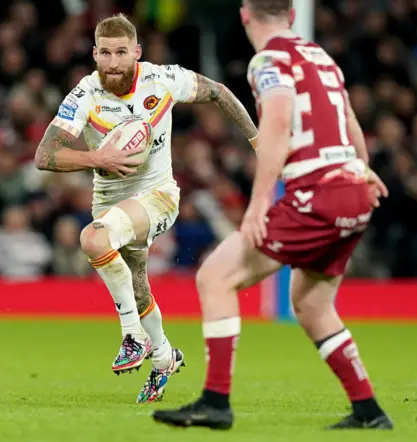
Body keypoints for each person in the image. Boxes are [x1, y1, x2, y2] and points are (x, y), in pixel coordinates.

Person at [152, 0, 393, 430]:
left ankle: (215, 402)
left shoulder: (268, 60)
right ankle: (369, 412)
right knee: (313, 303)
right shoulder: (320, 58)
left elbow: (278, 125)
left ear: (245, 15)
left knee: (215, 277)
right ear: (293, 15)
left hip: (317, 194)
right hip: (355, 190)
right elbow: (350, 122)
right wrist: (363, 169)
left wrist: (259, 203)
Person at [34, 14, 259, 403]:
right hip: (109, 201)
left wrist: (257, 141)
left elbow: (219, 92)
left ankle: (132, 336)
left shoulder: (162, 79)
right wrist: (96, 156)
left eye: (121, 52)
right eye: (105, 53)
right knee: (137, 288)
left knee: (92, 239)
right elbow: (44, 155)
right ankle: (163, 357)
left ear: (136, 52)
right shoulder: (85, 95)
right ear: (95, 54)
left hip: (158, 196)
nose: (113, 62)